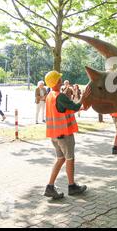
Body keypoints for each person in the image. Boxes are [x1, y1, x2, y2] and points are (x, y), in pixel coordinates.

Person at [43, 70, 91, 200]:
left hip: (54, 135)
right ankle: (72, 186)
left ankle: (50, 187)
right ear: (56, 82)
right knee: (69, 158)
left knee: (61, 159)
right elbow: (74, 107)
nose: (60, 80)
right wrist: (84, 98)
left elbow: (64, 109)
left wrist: (80, 107)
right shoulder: (60, 96)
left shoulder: (50, 95)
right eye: (59, 79)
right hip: (64, 135)